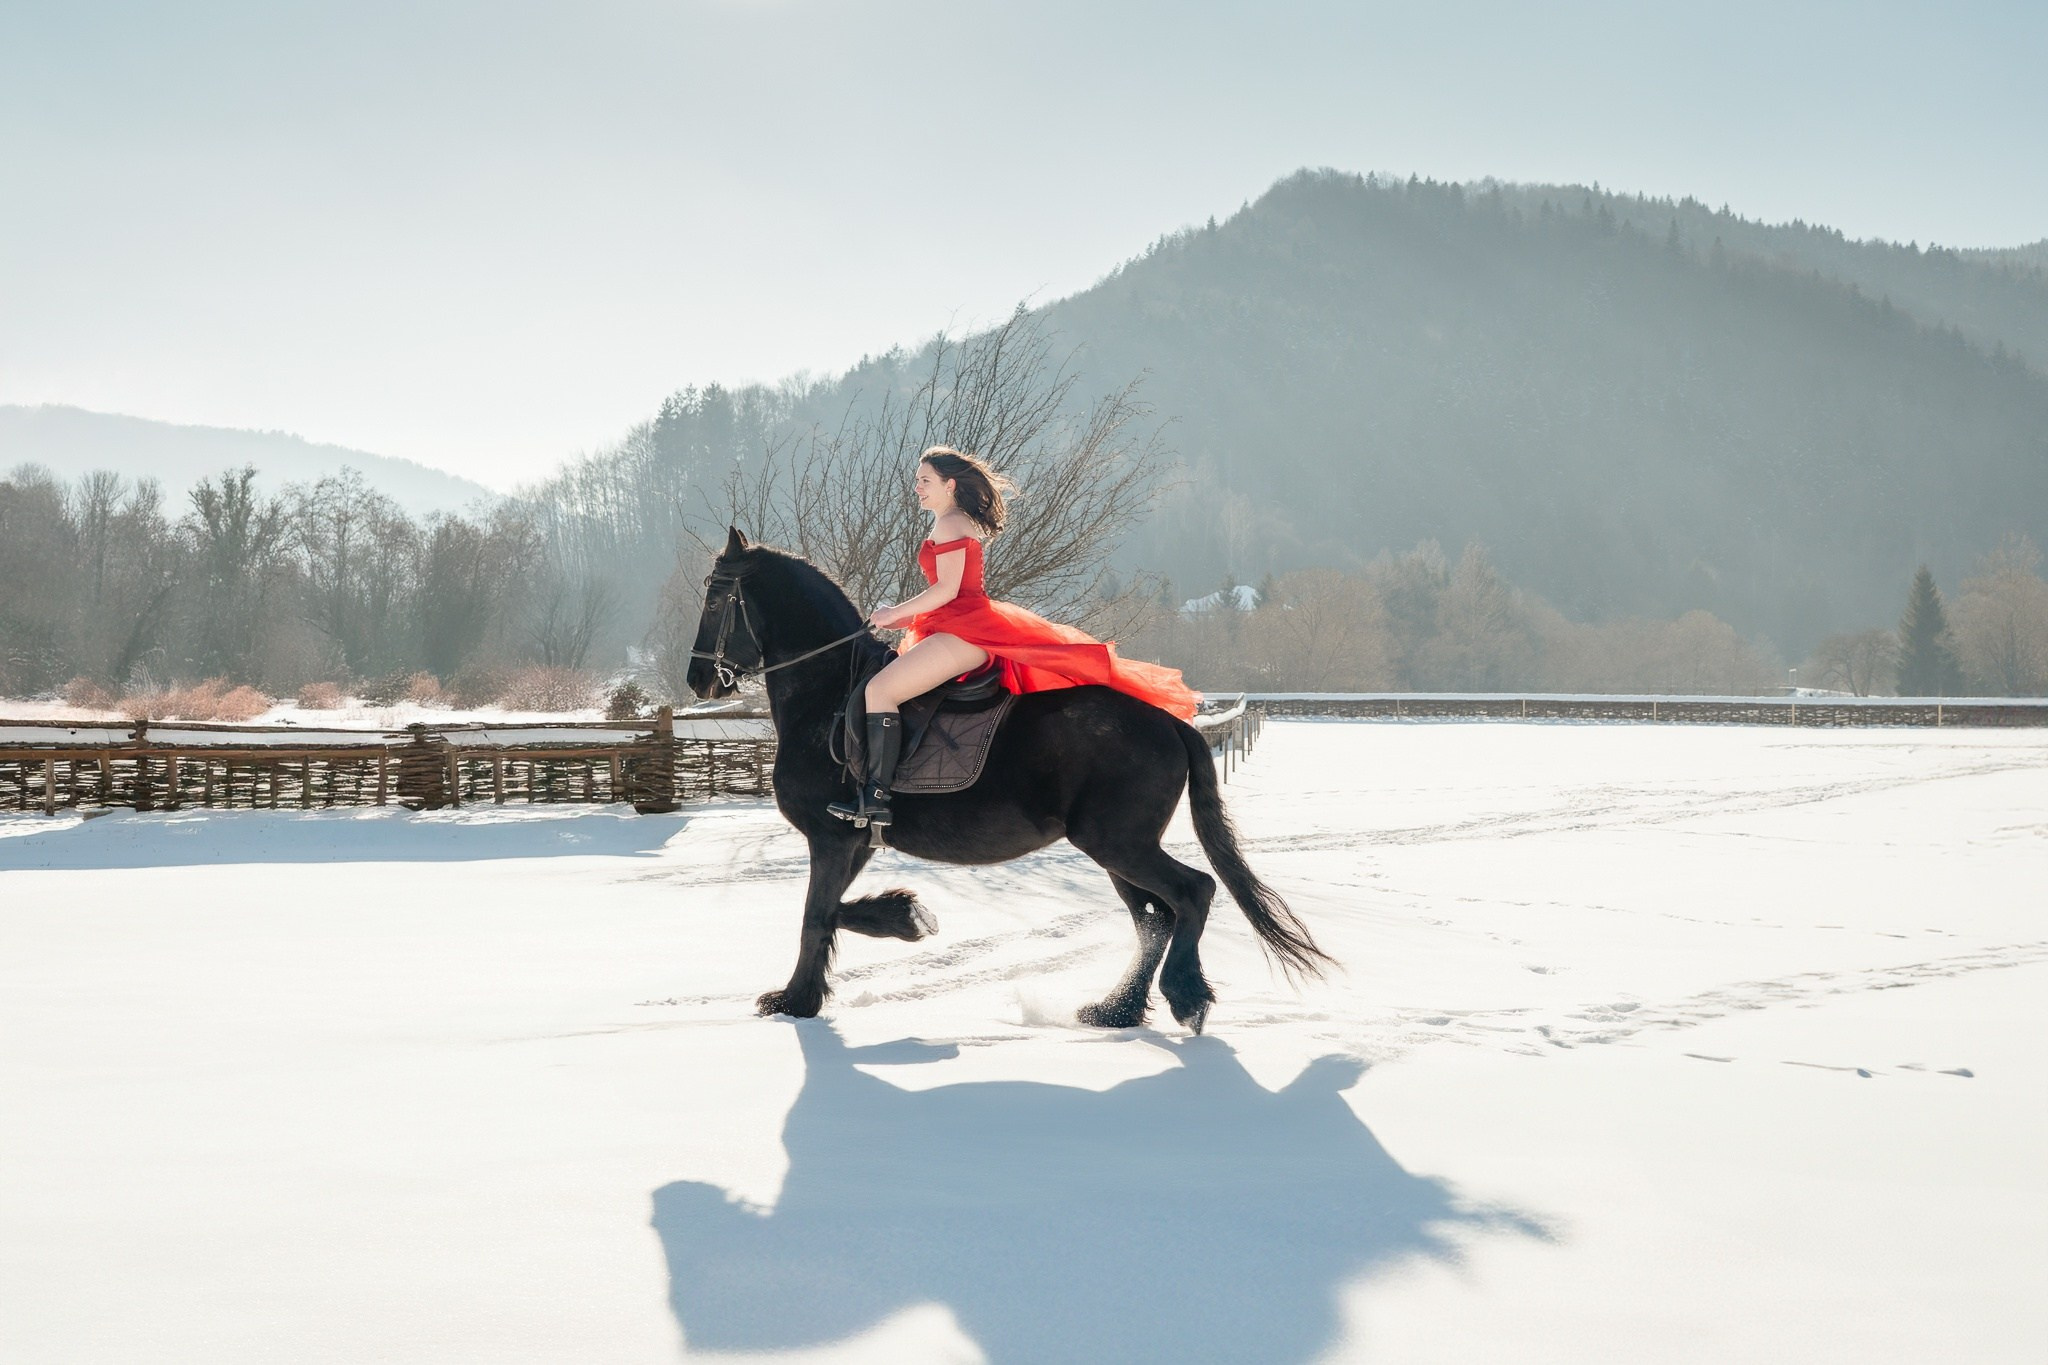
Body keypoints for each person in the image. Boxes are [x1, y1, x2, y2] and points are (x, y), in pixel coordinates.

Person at [829, 446, 1200, 827]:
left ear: (950, 484)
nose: (917, 487)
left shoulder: (951, 523)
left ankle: (875, 797)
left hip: (963, 630)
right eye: (917, 481)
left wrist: (895, 612)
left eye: (925, 480)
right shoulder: (951, 521)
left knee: (880, 692)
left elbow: (946, 590)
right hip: (953, 625)